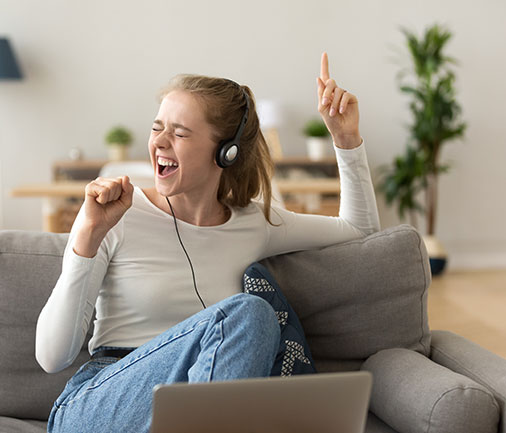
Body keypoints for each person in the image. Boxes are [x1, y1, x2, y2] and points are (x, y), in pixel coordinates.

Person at [37, 52, 381, 432]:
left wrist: (346, 138)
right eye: (157, 128)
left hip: (192, 409)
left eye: (180, 133)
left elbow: (358, 230)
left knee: (250, 325)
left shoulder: (255, 223)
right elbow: (52, 357)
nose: (160, 142)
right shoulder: (116, 214)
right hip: (99, 401)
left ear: (226, 152)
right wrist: (86, 236)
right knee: (248, 314)